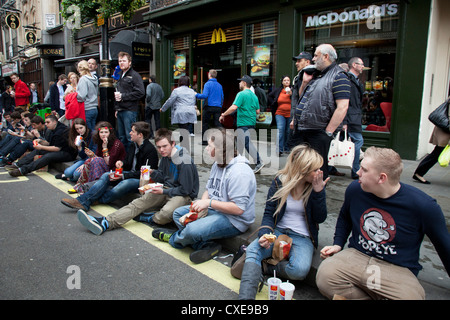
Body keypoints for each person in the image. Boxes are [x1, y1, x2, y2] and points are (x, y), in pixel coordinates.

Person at [316, 146, 450, 300]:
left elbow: (444, 246)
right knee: (325, 276)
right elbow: (345, 217)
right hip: (357, 255)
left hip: (397, 268)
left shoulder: (424, 205)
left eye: (364, 170)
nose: (358, 172)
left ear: (382, 178)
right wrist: (338, 243)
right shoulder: (355, 189)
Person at [153, 128, 257, 264]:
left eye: (210, 146)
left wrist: (208, 203)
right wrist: (201, 204)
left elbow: (238, 209)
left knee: (191, 229)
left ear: (221, 150)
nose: (206, 149)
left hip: (234, 220)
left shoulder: (239, 173)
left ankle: (174, 239)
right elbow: (208, 190)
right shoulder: (217, 163)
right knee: (178, 214)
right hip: (215, 209)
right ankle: (205, 245)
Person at [238, 144, 329, 299]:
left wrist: (319, 192)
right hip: (278, 231)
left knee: (299, 270)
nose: (319, 173)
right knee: (253, 250)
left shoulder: (316, 186)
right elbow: (268, 213)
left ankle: (264, 267)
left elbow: (320, 218)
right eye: (315, 169)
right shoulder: (279, 181)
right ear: (303, 169)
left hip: (303, 237)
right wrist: (265, 234)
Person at [76, 128, 199, 235]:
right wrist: (153, 173)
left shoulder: (184, 161)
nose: (161, 150)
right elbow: (162, 176)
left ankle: (149, 217)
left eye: (164, 146)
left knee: (165, 214)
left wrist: (162, 190)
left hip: (183, 195)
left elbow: (186, 190)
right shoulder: (166, 156)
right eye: (159, 147)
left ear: (173, 143)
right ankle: (106, 222)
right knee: (138, 203)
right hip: (166, 189)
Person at [61, 121, 158, 211]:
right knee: (106, 175)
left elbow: (145, 174)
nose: (130, 133)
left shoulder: (150, 150)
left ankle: (93, 200)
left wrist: (123, 176)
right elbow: (128, 163)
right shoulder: (133, 145)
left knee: (123, 184)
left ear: (140, 135)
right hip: (130, 173)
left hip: (140, 179)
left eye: (132, 131)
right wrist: (122, 163)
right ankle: (83, 200)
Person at [289, 44, 350, 179]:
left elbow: (343, 107)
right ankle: (301, 197)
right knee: (299, 168)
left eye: (316, 55)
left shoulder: (339, 76)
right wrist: (304, 83)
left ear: (326, 56)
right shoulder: (316, 75)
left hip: (318, 132)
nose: (314, 59)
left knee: (317, 171)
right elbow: (301, 97)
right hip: (303, 129)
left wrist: (328, 132)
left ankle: (316, 197)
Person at [219, 75, 264, 174]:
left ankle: (259, 162)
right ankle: (238, 162)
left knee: (246, 142)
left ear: (244, 83)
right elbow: (258, 111)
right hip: (251, 123)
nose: (239, 83)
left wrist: (223, 114)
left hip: (243, 123)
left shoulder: (241, 94)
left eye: (240, 82)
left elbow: (234, 107)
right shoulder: (254, 96)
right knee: (239, 142)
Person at [7, 115, 77, 177]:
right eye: (45, 122)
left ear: (55, 122)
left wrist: (41, 147)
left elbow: (57, 148)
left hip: (68, 153)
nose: (46, 124)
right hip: (60, 150)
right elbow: (49, 144)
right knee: (39, 150)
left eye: (48, 122)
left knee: (48, 156)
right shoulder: (53, 129)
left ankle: (23, 170)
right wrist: (40, 141)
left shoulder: (61, 131)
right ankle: (18, 164)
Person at [114, 51, 145, 151]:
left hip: (130, 110)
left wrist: (123, 96)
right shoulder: (120, 75)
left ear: (130, 62)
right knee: (122, 137)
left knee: (130, 137)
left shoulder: (134, 75)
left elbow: (141, 92)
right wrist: (117, 108)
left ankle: (133, 161)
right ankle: (126, 160)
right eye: (120, 61)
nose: (121, 63)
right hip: (121, 109)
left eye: (124, 61)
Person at [413, 102, 450, 184]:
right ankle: (419, 173)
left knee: (436, 153)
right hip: (446, 132)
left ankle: (419, 173)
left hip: (445, 131)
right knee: (436, 154)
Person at [344, 57, 365, 179]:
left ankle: (331, 167)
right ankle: (355, 169)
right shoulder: (348, 79)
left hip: (354, 115)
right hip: (351, 116)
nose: (362, 66)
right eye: (361, 64)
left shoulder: (356, 80)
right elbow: (344, 101)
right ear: (354, 65)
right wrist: (344, 121)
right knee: (358, 141)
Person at [196, 70, 224, 145]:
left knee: (205, 124)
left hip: (208, 107)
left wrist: (196, 94)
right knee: (217, 124)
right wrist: (220, 105)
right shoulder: (219, 85)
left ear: (209, 75)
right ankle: (224, 138)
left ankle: (204, 141)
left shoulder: (207, 84)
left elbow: (204, 96)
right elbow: (222, 97)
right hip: (217, 107)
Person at [268, 75, 292, 155]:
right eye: (285, 80)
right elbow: (269, 96)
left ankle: (287, 147)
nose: (286, 82)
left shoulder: (293, 90)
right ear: (282, 82)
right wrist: (273, 103)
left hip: (289, 114)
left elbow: (297, 100)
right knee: (281, 130)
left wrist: (291, 94)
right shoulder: (278, 90)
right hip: (279, 113)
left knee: (288, 131)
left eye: (288, 80)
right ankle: (279, 149)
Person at [76, 60, 99, 131]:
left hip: (87, 108)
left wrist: (75, 96)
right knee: (93, 130)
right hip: (94, 108)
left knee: (88, 132)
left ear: (80, 69)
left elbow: (82, 96)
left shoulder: (83, 79)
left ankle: (92, 142)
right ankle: (95, 142)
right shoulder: (94, 78)